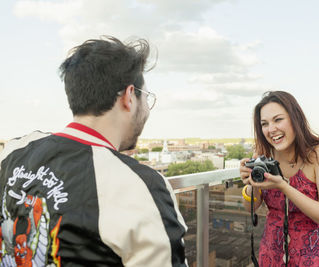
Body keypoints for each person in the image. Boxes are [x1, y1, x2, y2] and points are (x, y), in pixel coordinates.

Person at [0, 36, 187, 266]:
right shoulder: (140, 186)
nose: (147, 108)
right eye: (146, 97)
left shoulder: (12, 151)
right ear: (129, 96)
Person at [240, 91, 319, 266]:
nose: (271, 129)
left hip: (314, 257)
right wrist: (252, 183)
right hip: (272, 254)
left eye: (278, 120)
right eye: (264, 123)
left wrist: (283, 187)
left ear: (295, 118)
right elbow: (251, 206)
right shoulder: (264, 154)